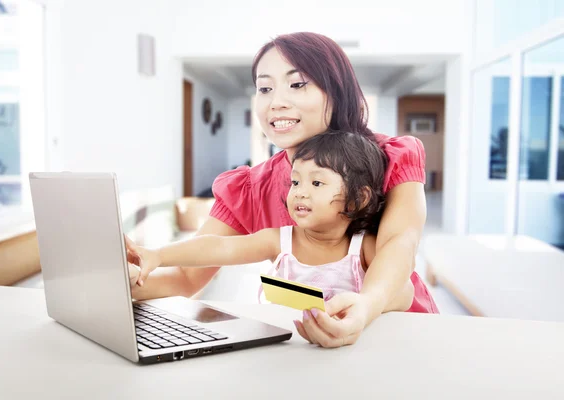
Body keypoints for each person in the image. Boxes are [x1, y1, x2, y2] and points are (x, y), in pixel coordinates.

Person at [127, 31, 439, 348]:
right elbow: (185, 277)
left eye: (297, 84)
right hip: (311, 346)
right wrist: (105, 285)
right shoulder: (248, 187)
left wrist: (367, 306)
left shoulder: (391, 156)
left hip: (403, 333)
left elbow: (399, 242)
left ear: (336, 91)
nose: (276, 102)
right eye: (265, 88)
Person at [127, 131, 416, 347]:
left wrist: (367, 303)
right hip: (285, 351)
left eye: (316, 182)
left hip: (347, 354)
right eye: (295, 181)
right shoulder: (280, 241)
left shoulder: (361, 248)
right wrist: (158, 255)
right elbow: (219, 246)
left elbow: (403, 292)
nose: (300, 192)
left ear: (358, 198)